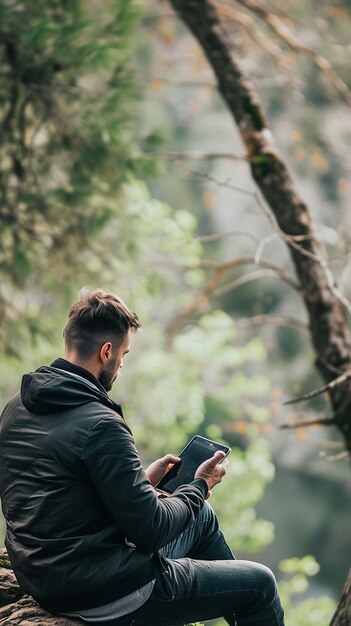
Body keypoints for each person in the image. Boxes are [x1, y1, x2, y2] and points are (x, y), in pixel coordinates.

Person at [0, 287, 285, 626]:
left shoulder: (16, 408)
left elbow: (56, 495)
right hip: (102, 591)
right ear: (107, 352)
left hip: (43, 576)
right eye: (124, 354)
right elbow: (151, 531)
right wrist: (199, 484)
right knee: (261, 583)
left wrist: (142, 483)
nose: (121, 365)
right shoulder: (100, 425)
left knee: (200, 517)